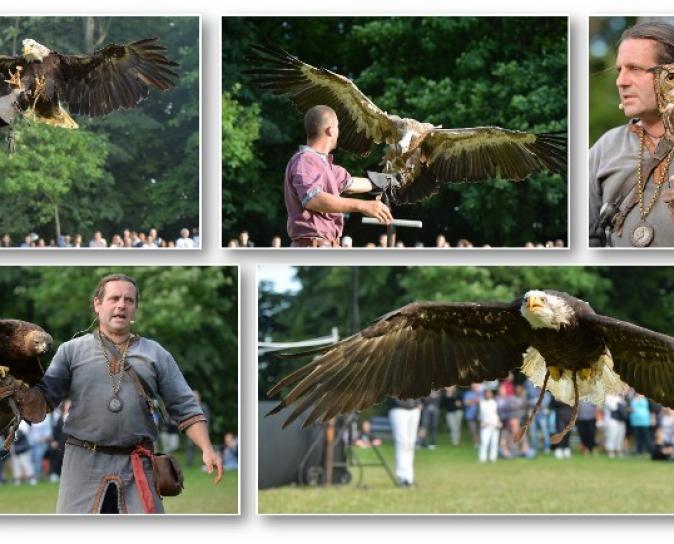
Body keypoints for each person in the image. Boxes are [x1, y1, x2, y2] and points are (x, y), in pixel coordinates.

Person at [13, 274, 222, 513]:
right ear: (97, 304)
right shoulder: (71, 351)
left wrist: (207, 448)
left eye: (129, 300)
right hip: (83, 466)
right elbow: (44, 399)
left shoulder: (155, 353)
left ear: (135, 309)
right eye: (114, 298)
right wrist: (18, 392)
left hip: (137, 465)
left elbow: (185, 406)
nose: (121, 305)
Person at [590, 22, 674, 247]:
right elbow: (587, 238)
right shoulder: (605, 148)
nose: (621, 81)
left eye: (635, 69)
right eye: (620, 70)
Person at [285, 105, 394, 247]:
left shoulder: (325, 165)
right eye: (337, 127)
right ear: (330, 130)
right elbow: (313, 199)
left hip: (328, 246)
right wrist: (362, 205)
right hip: (313, 247)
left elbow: (351, 184)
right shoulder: (305, 161)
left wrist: (390, 180)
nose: (339, 132)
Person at [388, 397, 421, 487]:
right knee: (402, 443)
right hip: (398, 409)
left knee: (411, 444)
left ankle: (409, 477)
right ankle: (402, 477)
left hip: (414, 409)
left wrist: (418, 402)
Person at [478, 388, 501, 463]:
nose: (488, 394)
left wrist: (498, 423)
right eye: (486, 393)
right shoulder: (481, 403)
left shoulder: (495, 403)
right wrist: (482, 423)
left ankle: (493, 458)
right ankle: (482, 458)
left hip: (494, 425)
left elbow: (497, 414)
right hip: (485, 425)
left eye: (489, 393)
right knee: (484, 442)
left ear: (491, 394)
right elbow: (480, 415)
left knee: (494, 443)